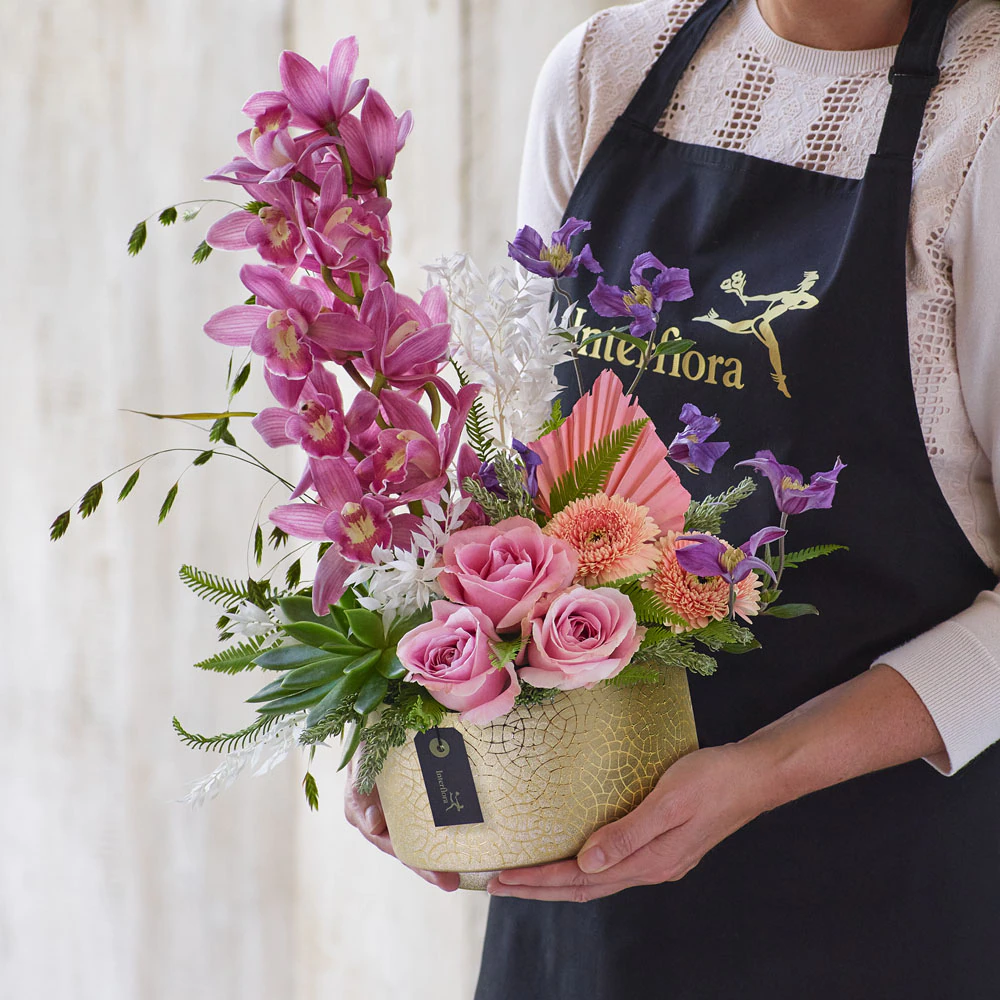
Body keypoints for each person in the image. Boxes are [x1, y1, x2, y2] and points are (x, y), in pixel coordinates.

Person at [346, 1, 1000, 995]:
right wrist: (419, 714)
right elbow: (521, 475)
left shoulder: (983, 117)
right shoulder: (601, 71)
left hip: (880, 905)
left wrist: (767, 770)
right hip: (593, 919)